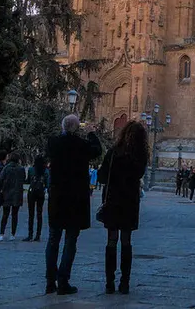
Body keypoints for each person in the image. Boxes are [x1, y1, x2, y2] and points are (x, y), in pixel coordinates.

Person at [45, 115, 102, 295]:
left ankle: (49, 281)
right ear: (77, 128)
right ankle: (63, 281)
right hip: (75, 200)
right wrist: (91, 133)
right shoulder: (81, 145)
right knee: (70, 241)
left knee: (53, 240)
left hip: (57, 197)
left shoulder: (53, 143)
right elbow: (97, 150)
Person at [97, 120, 148, 295]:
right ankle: (124, 283)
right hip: (129, 202)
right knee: (126, 242)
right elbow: (139, 174)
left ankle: (109, 283)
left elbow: (102, 176)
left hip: (113, 200)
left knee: (111, 241)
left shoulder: (113, 153)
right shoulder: (140, 155)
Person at [0, 152, 25, 241]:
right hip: (17, 193)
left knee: (5, 214)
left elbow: (0, 179)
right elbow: (23, 179)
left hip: (7, 193)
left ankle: (1, 233)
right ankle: (13, 234)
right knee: (15, 215)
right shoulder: (21, 169)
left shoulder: (6, 168)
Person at [24, 155, 48, 242]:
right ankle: (38, 235)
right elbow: (47, 183)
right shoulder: (45, 171)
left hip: (32, 192)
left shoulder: (31, 170)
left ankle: (30, 234)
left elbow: (28, 180)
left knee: (31, 214)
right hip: (40, 193)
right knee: (39, 214)